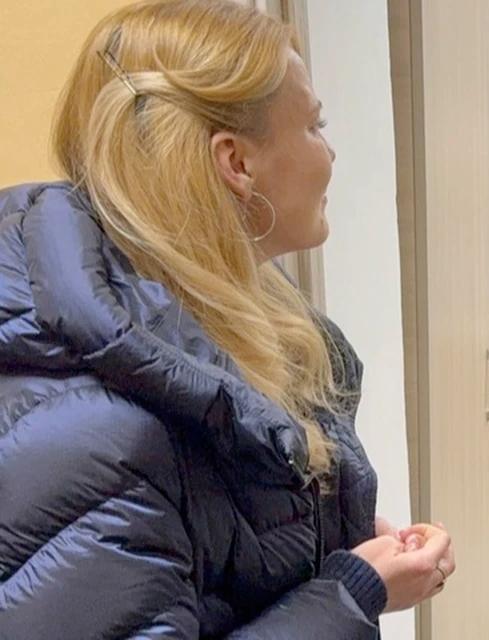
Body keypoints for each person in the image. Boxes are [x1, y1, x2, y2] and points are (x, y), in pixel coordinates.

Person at [0, 1, 454, 637]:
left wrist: (336, 550)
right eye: (315, 125)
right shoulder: (105, 437)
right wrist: (352, 593)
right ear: (236, 163)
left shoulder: (207, 329)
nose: (330, 153)